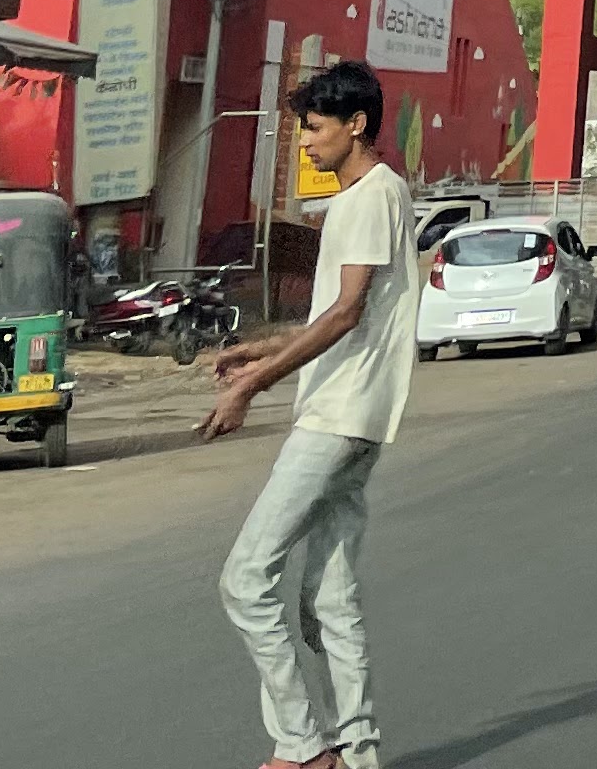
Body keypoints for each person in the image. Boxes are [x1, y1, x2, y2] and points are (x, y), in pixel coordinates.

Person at [204, 60, 416, 769]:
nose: (306, 144)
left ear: (356, 126)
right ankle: (358, 755)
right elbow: (344, 315)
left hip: (334, 418)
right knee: (329, 594)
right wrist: (262, 348)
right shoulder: (376, 196)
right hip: (361, 414)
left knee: (245, 578)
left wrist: (254, 384)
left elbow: (348, 312)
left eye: (316, 129)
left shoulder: (366, 198)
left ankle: (304, 746)